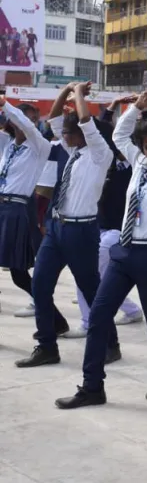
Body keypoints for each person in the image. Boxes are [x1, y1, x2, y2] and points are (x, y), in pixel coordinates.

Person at [55, 90, 147, 408]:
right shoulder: (139, 163)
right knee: (99, 316)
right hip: (124, 251)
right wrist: (137, 107)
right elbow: (120, 133)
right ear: (142, 148)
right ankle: (92, 386)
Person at [17, 82, 116, 369]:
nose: (63, 135)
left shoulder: (100, 154)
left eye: (68, 133)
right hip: (58, 226)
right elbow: (54, 118)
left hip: (82, 230)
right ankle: (47, 345)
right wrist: (67, 90)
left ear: (82, 135)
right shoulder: (69, 151)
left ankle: (110, 342)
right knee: (40, 284)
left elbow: (85, 122)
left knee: (91, 289)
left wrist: (80, 97)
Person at [65, 106, 145, 338]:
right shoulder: (105, 163)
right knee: (99, 278)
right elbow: (100, 128)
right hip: (101, 227)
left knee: (86, 276)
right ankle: (130, 310)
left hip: (120, 232)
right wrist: (106, 110)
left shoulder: (138, 168)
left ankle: (89, 321)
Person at [0, 98, 53, 324]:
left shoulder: (39, 147)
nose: (32, 123)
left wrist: (5, 103)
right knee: (16, 275)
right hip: (2, 207)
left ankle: (53, 317)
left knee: (19, 274)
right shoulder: (10, 146)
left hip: (16, 209)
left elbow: (29, 128)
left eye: (33, 120)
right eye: (27, 118)